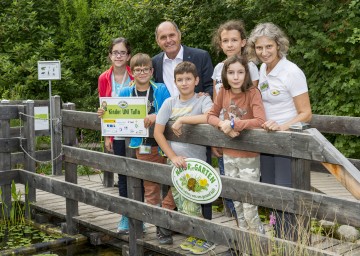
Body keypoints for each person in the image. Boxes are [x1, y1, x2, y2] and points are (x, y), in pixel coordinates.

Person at [247, 22, 312, 240]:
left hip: (287, 141)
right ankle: (279, 238)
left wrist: (281, 127)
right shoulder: (263, 69)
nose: (264, 52)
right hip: (267, 141)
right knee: (270, 190)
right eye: (259, 48)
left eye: (268, 47)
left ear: (278, 45)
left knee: (285, 192)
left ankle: (293, 242)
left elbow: (306, 113)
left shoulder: (291, 72)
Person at [152, 20, 214, 220]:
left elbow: (210, 88)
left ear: (179, 35)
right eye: (163, 37)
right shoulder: (155, 62)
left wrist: (188, 117)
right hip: (171, 136)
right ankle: (178, 224)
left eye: (171, 35)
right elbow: (152, 91)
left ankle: (205, 227)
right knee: (176, 185)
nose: (168, 40)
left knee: (201, 182)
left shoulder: (200, 56)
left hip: (197, 130)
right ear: (157, 41)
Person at [154, 61, 215, 254]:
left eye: (188, 79)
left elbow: (209, 117)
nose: (184, 83)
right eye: (180, 79)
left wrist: (182, 119)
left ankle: (205, 237)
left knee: (198, 198)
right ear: (175, 82)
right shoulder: (169, 103)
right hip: (179, 164)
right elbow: (158, 132)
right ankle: (195, 235)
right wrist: (172, 156)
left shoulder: (202, 100)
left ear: (196, 80)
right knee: (184, 204)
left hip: (198, 164)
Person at [207, 55, 266, 235]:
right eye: (231, 72)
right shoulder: (224, 91)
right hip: (229, 155)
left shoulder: (253, 92)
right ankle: (244, 245)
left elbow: (260, 120)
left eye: (240, 72)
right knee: (237, 205)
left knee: (249, 206)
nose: (235, 77)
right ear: (225, 74)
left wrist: (234, 124)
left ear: (246, 74)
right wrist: (223, 126)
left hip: (248, 157)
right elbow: (210, 115)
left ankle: (259, 245)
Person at [211, 20, 260, 218]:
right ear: (220, 44)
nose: (230, 44)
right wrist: (217, 135)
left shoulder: (250, 68)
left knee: (247, 194)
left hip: (244, 135)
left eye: (234, 40)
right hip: (224, 133)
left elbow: (251, 99)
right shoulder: (218, 69)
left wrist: (235, 125)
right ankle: (238, 235)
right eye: (225, 40)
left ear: (243, 42)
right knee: (231, 189)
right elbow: (217, 105)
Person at [97, 37, 133, 233]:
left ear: (129, 55)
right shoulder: (104, 78)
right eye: (115, 52)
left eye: (122, 52)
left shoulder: (135, 75)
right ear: (110, 55)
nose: (118, 56)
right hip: (117, 135)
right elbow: (103, 106)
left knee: (139, 173)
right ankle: (125, 215)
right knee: (123, 175)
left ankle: (141, 217)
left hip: (135, 135)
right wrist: (106, 137)